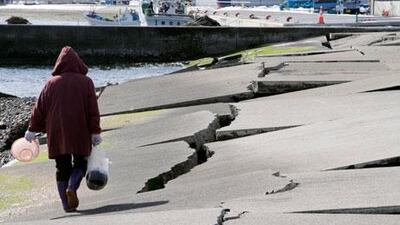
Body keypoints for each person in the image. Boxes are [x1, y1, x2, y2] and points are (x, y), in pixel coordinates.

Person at [24, 46, 102, 212]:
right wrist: (95, 132)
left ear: (59, 64)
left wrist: (32, 129)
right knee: (81, 161)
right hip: (80, 129)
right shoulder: (86, 82)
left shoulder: (50, 84)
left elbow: (39, 109)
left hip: (56, 131)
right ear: (78, 63)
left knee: (62, 167)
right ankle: (72, 187)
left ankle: (66, 205)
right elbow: (92, 110)